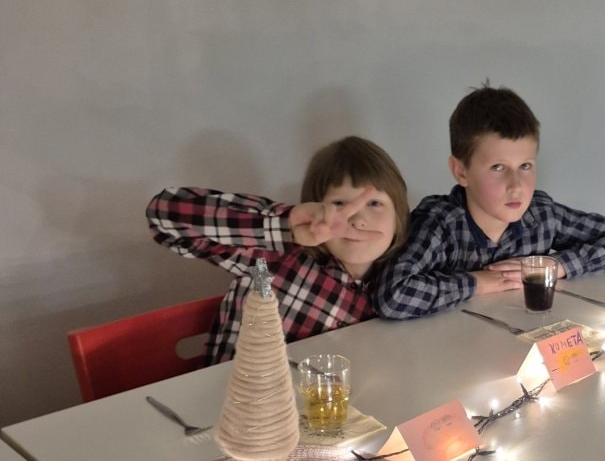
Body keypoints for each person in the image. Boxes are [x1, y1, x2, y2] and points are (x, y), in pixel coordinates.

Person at [373, 84, 605, 319]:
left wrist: (557, 266)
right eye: (498, 167)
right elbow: (392, 296)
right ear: (461, 171)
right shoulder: (440, 224)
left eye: (525, 166)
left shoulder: (541, 215)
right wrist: (477, 283)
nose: (516, 186)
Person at [147, 137, 409, 363]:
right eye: (339, 203)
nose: (358, 220)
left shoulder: (401, 282)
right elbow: (163, 216)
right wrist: (286, 226)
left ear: (398, 216)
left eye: (374, 204)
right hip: (238, 401)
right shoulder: (270, 258)